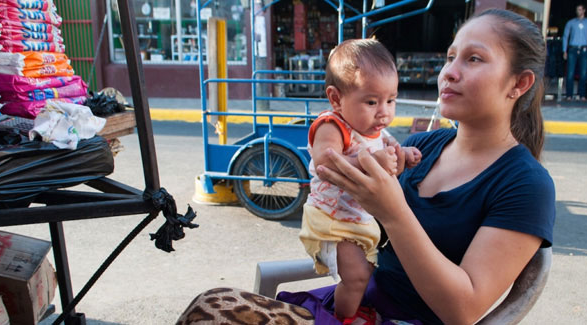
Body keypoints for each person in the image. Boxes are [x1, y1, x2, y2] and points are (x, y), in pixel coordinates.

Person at [176, 8, 556, 325]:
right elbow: (353, 215)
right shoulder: (422, 145)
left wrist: (392, 212)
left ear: (518, 83)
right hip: (360, 301)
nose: (449, 72)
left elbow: (463, 309)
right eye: (450, 57)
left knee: (211, 314)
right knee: (208, 306)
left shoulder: (525, 184)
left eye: (473, 59)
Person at [299, 38, 422, 322]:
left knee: (364, 275)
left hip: (359, 221)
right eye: (371, 101)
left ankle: (352, 309)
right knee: (356, 277)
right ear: (336, 99)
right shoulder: (332, 125)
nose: (384, 111)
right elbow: (324, 162)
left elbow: (388, 153)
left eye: (391, 100)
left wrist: (402, 154)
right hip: (331, 220)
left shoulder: (376, 130)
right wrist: (370, 163)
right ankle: (343, 318)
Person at [563, 3, 587, 101]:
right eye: (577, 10)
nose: (579, 12)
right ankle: (569, 95)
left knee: (584, 73)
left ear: (584, 10)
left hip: (584, 49)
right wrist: (564, 50)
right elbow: (565, 36)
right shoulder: (571, 23)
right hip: (572, 48)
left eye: (580, 10)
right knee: (570, 73)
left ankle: (582, 95)